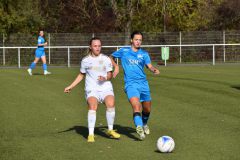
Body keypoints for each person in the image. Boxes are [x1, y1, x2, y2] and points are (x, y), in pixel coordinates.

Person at [64, 37, 120, 142]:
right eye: (95, 46)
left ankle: (110, 130)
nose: (97, 48)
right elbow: (81, 75)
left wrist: (105, 78)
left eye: (99, 46)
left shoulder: (106, 59)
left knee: (111, 104)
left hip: (105, 87)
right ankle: (90, 134)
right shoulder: (85, 61)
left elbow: (110, 74)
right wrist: (70, 86)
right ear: (90, 47)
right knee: (93, 106)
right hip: (92, 88)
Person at [111, 31, 160, 140]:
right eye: (136, 39)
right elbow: (111, 57)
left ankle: (144, 123)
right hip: (130, 84)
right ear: (131, 40)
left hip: (143, 84)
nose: (138, 42)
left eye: (140, 40)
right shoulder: (124, 51)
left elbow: (149, 66)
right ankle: (139, 128)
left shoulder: (144, 54)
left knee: (147, 109)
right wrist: (116, 66)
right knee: (136, 106)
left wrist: (153, 70)